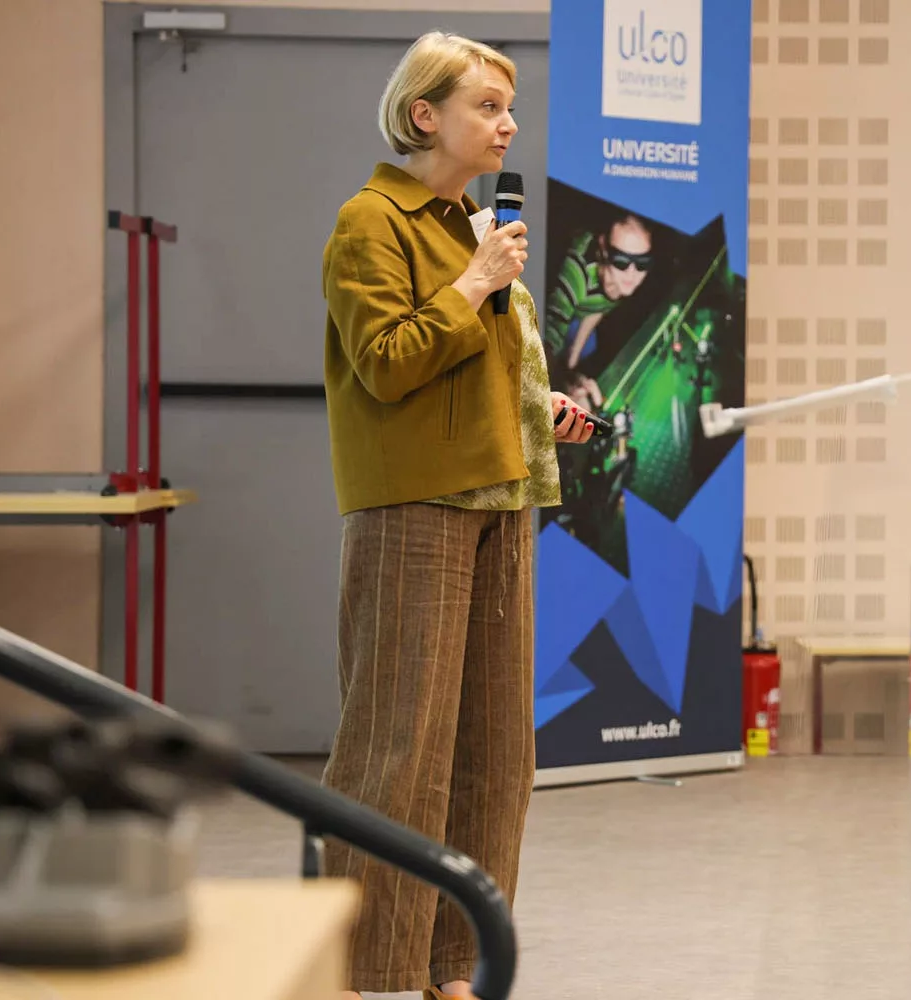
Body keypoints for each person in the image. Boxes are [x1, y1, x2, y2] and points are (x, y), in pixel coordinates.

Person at [318, 31, 594, 1000]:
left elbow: (475, 363)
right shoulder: (371, 221)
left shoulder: (472, 224)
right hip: (415, 503)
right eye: (487, 106)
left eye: (509, 108)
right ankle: (360, 968)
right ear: (424, 114)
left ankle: (453, 965)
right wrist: (476, 281)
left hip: (502, 495)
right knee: (396, 748)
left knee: (494, 755)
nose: (508, 124)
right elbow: (387, 362)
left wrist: (540, 406)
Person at [542, 212, 654, 408]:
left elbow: (598, 308)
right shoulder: (577, 273)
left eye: (642, 263)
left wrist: (571, 366)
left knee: (586, 348)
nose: (632, 274)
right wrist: (561, 385)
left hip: (583, 309)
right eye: (621, 260)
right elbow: (551, 337)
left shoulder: (623, 279)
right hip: (546, 309)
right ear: (603, 249)